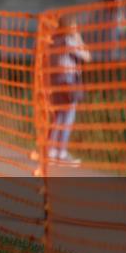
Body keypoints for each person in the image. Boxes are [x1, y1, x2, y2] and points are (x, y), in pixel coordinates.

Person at [47, 14, 91, 165]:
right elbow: (87, 56)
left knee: (58, 116)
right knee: (68, 117)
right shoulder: (69, 40)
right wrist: (79, 38)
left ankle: (50, 150)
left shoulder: (54, 39)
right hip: (68, 79)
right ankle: (61, 152)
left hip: (55, 79)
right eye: (74, 25)